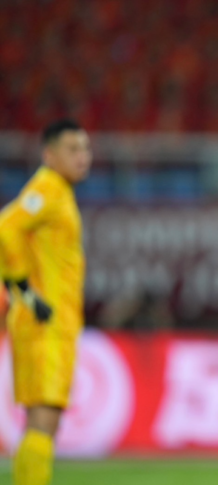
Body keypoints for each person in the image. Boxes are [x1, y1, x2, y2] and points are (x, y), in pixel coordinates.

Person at [0, 119, 92, 485]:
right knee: (44, 419)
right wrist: (21, 286)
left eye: (85, 148)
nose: (83, 157)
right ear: (49, 155)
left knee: (39, 422)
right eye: (73, 149)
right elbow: (5, 227)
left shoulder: (58, 191)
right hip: (45, 323)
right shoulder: (48, 187)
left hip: (50, 322)